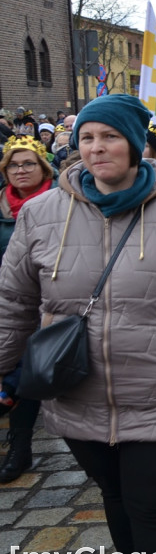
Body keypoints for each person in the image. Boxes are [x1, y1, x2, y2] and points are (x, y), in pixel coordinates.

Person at [0, 94, 156, 554]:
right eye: (87, 137)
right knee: (115, 494)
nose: (96, 147)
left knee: (155, 505)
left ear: (134, 146)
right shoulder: (42, 214)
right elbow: (14, 300)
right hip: (78, 394)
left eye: (109, 136)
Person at [0, 135, 56, 483]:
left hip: (48, 304)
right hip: (9, 303)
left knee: (30, 375)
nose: (20, 171)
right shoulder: (1, 207)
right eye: (13, 165)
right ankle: (20, 448)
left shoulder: (59, 203)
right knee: (13, 374)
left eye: (28, 164)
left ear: (42, 167)